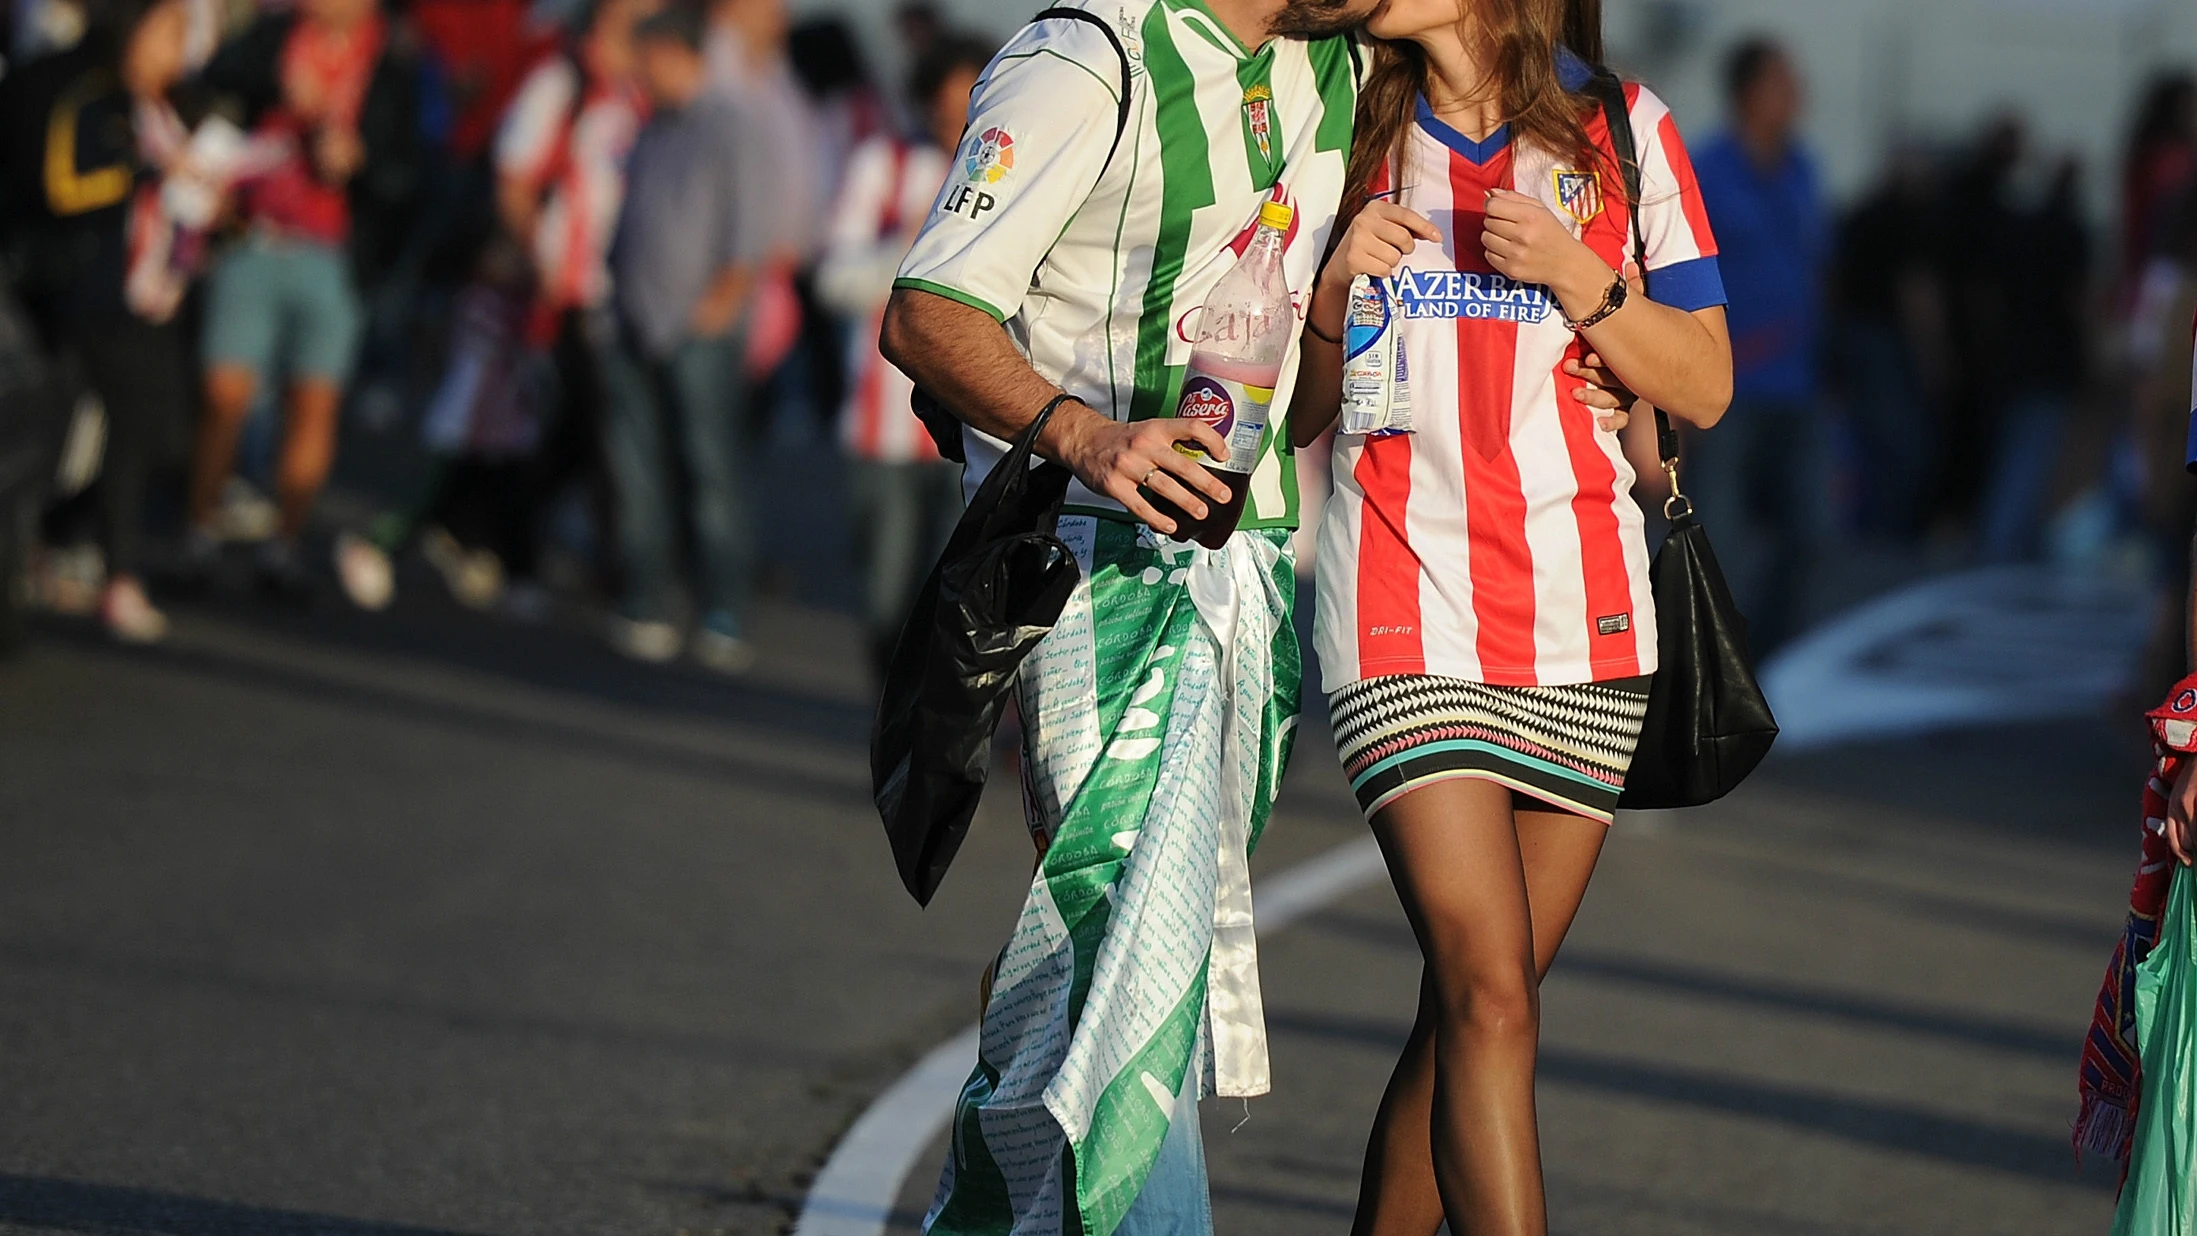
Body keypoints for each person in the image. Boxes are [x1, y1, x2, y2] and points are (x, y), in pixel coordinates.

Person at [878, 0, 1374, 1223]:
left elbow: (1297, 412)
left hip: (1249, 573)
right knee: (1122, 932)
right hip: (1092, 561)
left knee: (1122, 944)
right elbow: (928, 313)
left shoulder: (1339, 69)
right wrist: (1087, 438)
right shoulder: (1085, 60)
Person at [1290, 0, 1731, 1232]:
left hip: (1585, 621)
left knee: (1470, 1011)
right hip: (1398, 609)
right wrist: (1328, 297)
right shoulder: (1338, 119)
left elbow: (1705, 381)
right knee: (1491, 999)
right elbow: (1298, 416)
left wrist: (1582, 280)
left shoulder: (1624, 129)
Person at [185, 0, 428, 595]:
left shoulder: (392, 64)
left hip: (335, 256)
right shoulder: (276, 38)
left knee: (313, 401)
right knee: (225, 392)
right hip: (256, 237)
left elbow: (410, 171)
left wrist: (360, 164)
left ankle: (284, 545)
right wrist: (278, 85)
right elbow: (209, 79)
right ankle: (200, 533)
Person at [0, 0, 195, 641]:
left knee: (112, 437)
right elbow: (59, 186)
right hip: (69, 293)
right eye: (168, 33)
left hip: (128, 297)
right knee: (59, 440)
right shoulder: (77, 87)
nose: (180, 49)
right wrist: (142, 173)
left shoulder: (154, 101)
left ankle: (56, 550)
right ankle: (99, 566)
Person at [599, 0, 769, 669]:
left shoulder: (729, 125)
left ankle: (721, 607)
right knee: (639, 473)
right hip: (634, 324)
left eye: (645, 58)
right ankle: (644, 599)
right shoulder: (651, 129)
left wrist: (717, 308)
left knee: (709, 473)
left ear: (676, 54)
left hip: (699, 331)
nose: (637, 72)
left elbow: (748, 234)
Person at [815, 34, 989, 676]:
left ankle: (944, 734)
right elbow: (833, 279)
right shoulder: (881, 165)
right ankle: (892, 721)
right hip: (883, 423)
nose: (956, 119)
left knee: (967, 596)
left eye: (969, 102)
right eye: (943, 106)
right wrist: (918, 250)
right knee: (887, 598)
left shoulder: (1020, 167)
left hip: (982, 422)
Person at [1687, 36, 1822, 654]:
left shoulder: (1804, 169)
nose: (1796, 95)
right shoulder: (1707, 170)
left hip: (1798, 384)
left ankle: (1764, 658)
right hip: (1728, 386)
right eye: (1781, 82)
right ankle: (1709, 662)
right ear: (1747, 93)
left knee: (1811, 532)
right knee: (1721, 531)